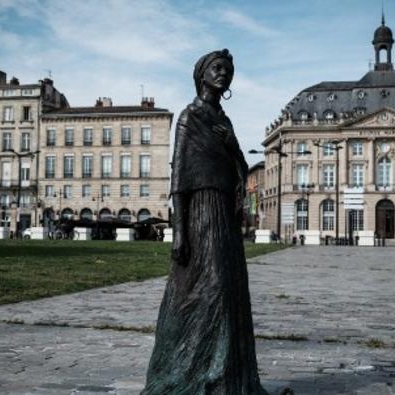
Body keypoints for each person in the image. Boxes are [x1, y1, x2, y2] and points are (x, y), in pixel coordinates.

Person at [142, 49, 267, 394]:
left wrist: (233, 147)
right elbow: (179, 178)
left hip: (223, 213)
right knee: (207, 289)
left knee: (228, 292)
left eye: (228, 69)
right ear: (202, 74)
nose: (223, 73)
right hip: (200, 211)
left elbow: (240, 168)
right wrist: (179, 231)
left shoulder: (223, 120)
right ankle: (191, 371)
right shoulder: (189, 116)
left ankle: (227, 376)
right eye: (217, 68)